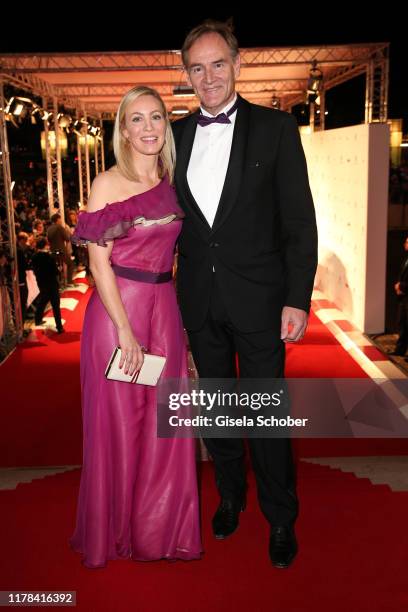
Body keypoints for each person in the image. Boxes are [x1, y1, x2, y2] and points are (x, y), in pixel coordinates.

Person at [172, 20, 318, 569]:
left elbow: (299, 222)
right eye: (196, 68)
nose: (207, 77)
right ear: (186, 74)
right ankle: (230, 495)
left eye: (216, 64)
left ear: (237, 64)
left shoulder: (277, 129)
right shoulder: (177, 136)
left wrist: (297, 298)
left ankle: (281, 517)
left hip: (261, 301)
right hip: (200, 301)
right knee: (216, 411)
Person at [69, 86, 202, 568]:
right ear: (122, 129)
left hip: (163, 308)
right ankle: (117, 531)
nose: (148, 128)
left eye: (156, 118)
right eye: (137, 120)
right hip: (117, 313)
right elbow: (99, 265)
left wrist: (181, 328)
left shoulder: (170, 179)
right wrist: (125, 331)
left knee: (166, 420)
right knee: (121, 425)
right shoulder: (107, 184)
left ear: (166, 124)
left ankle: (159, 531)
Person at [31, 237, 64, 333]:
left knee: (43, 300)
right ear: (45, 245)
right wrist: (59, 269)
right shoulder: (49, 257)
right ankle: (59, 327)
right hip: (52, 283)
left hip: (41, 283)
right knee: (55, 305)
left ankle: (37, 320)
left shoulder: (34, 257)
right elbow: (55, 271)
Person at [47, 212, 74, 286]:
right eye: (60, 219)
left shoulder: (49, 229)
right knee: (70, 264)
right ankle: (69, 281)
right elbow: (67, 238)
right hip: (61, 250)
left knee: (57, 266)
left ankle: (58, 283)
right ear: (57, 219)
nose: (61, 220)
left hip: (53, 251)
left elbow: (48, 239)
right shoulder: (59, 227)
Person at [392, 236, 408, 357]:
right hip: (403, 299)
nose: (405, 244)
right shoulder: (406, 259)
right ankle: (400, 350)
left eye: (407, 242)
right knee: (402, 324)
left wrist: (401, 287)